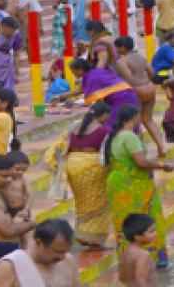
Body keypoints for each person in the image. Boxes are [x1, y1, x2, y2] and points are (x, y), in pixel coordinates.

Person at [105, 104, 172, 268]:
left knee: (125, 223)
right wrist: (162, 166)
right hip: (133, 187)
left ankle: (128, 261)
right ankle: (152, 261)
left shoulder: (114, 136)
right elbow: (141, 162)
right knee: (147, 221)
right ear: (134, 117)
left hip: (118, 185)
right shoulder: (129, 136)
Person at [60, 101, 112, 248]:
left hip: (73, 166)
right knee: (98, 202)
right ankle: (95, 240)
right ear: (103, 115)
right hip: (91, 168)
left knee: (81, 202)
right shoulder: (103, 130)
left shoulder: (75, 127)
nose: (108, 118)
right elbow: (107, 152)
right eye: (107, 115)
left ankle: (82, 235)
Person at [0, 218, 79, 287]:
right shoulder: (10, 266)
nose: (61, 257)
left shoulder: (68, 261)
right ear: (39, 242)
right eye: (57, 251)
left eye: (65, 252)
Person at [119, 213, 158, 287]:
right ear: (137, 236)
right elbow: (140, 283)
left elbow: (122, 278)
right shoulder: (144, 255)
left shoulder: (125, 251)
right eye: (151, 231)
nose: (156, 234)